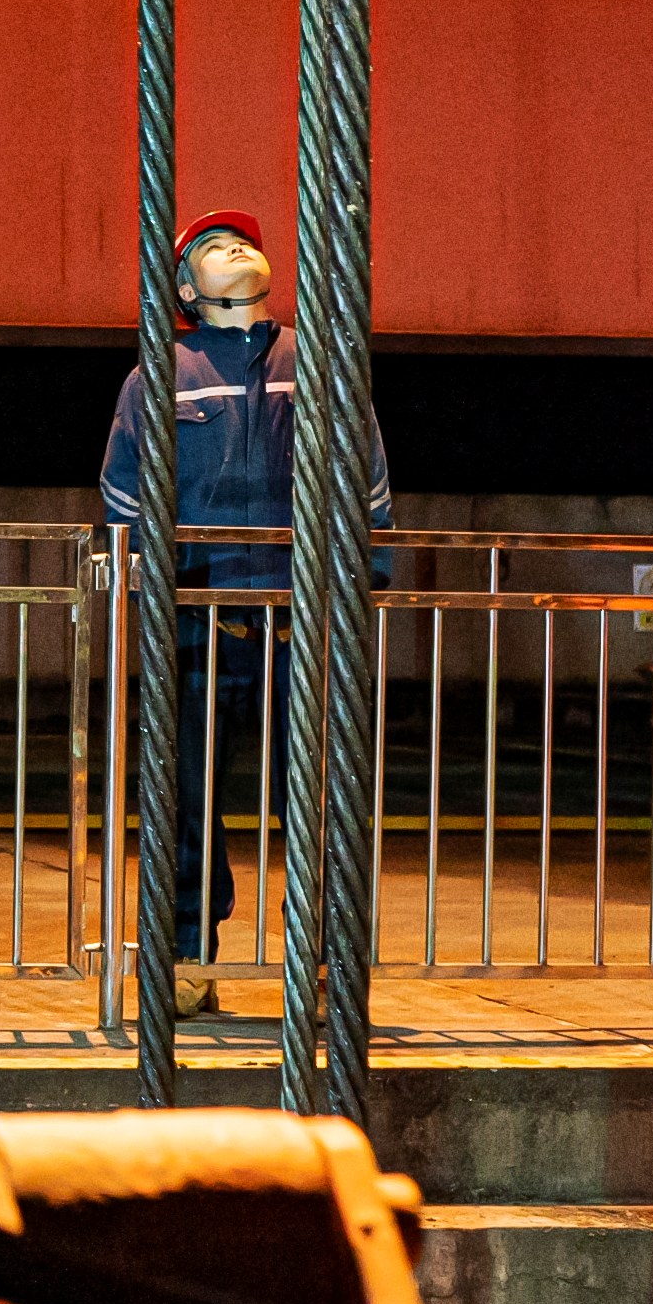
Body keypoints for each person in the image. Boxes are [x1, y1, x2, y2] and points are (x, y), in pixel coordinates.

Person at [98, 209, 394, 1017]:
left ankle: (327, 962)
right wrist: (155, 603)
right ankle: (187, 954)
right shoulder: (159, 375)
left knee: (323, 803)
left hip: (306, 628)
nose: (233, 247)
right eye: (209, 247)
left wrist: (358, 588)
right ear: (185, 289)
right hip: (200, 625)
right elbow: (123, 497)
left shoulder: (320, 360)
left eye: (240, 240)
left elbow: (368, 485)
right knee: (185, 800)